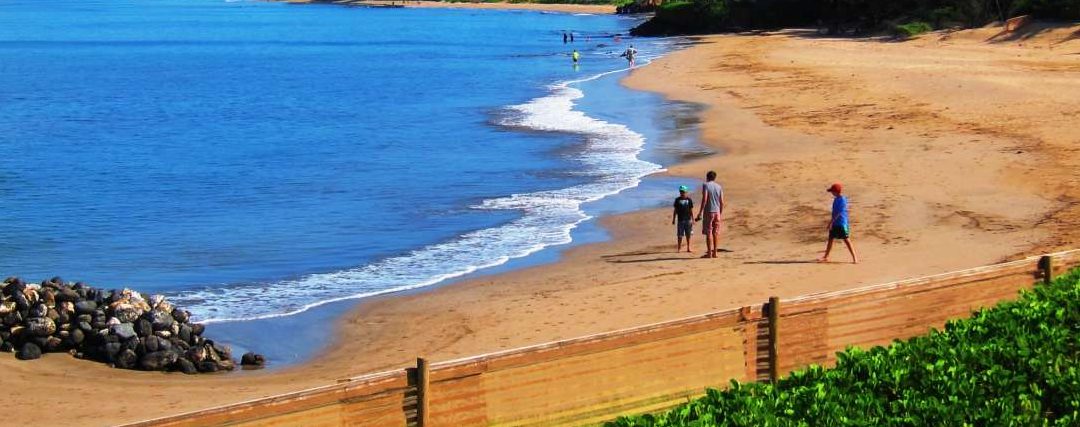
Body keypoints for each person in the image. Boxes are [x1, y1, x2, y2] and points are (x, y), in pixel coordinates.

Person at [819, 182, 858, 264]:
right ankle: (825, 257)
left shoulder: (842, 200)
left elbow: (839, 213)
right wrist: (832, 222)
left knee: (846, 240)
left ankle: (854, 257)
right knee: (830, 239)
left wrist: (831, 222)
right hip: (835, 223)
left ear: (836, 192)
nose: (831, 193)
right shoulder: (836, 199)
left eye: (832, 191)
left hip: (841, 223)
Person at [694, 171, 724, 258]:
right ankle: (715, 252)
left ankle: (710, 253)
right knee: (716, 233)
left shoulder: (706, 185)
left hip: (709, 211)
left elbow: (705, 199)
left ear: (707, 177)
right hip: (717, 211)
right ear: (714, 177)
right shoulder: (719, 187)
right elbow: (721, 202)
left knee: (709, 232)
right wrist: (720, 212)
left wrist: (700, 212)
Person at [671, 185, 695, 253]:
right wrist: (673, 219)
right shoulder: (677, 200)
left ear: (686, 192)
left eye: (683, 192)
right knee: (680, 235)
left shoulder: (689, 200)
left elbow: (691, 210)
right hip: (680, 220)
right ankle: (679, 248)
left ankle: (688, 247)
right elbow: (675, 210)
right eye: (681, 192)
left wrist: (693, 219)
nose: (682, 193)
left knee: (688, 234)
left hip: (688, 219)